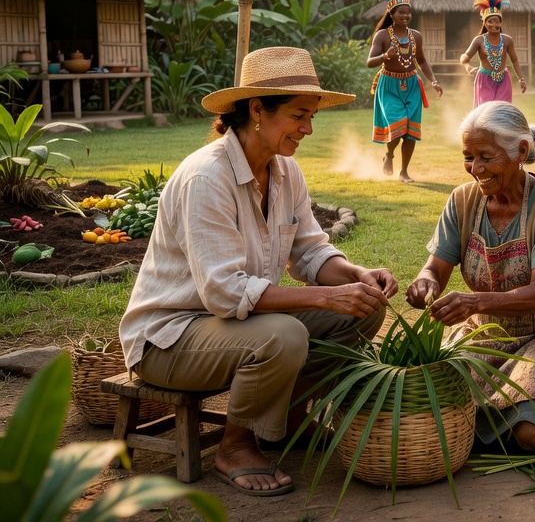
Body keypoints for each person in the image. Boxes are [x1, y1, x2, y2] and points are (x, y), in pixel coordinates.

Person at [118, 47, 395, 497]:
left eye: (312, 117)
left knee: (361, 311)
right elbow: (225, 293)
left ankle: (288, 418)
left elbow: (310, 252)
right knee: (283, 335)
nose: (307, 128)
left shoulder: (286, 171)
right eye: (298, 115)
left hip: (230, 325)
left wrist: (355, 274)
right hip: (170, 337)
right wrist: (326, 297)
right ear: (257, 111)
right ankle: (236, 445)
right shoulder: (207, 178)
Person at [407, 102, 535, 452]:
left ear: (521, 151)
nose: (475, 168)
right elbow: (435, 267)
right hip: (485, 333)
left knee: (532, 434)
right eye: (468, 156)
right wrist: (426, 282)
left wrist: (473, 301)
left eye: (486, 157)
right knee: (435, 413)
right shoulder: (462, 201)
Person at [367, 0, 443, 183]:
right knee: (398, 126)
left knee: (411, 130)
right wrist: (384, 56)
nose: (406, 16)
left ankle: (404, 172)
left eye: (408, 12)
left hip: (411, 84)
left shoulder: (415, 36)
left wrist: (434, 81)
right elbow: (369, 62)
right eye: (401, 12)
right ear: (392, 15)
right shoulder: (382, 35)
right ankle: (389, 154)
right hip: (388, 85)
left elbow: (422, 61)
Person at [460, 0, 526, 107]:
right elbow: (464, 57)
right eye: (490, 21)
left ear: (500, 23)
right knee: (486, 113)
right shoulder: (479, 40)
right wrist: (468, 67)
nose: (494, 25)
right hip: (484, 81)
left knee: (501, 112)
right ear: (485, 23)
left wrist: (521, 79)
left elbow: (515, 60)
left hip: (503, 80)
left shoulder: (507, 40)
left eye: (497, 21)